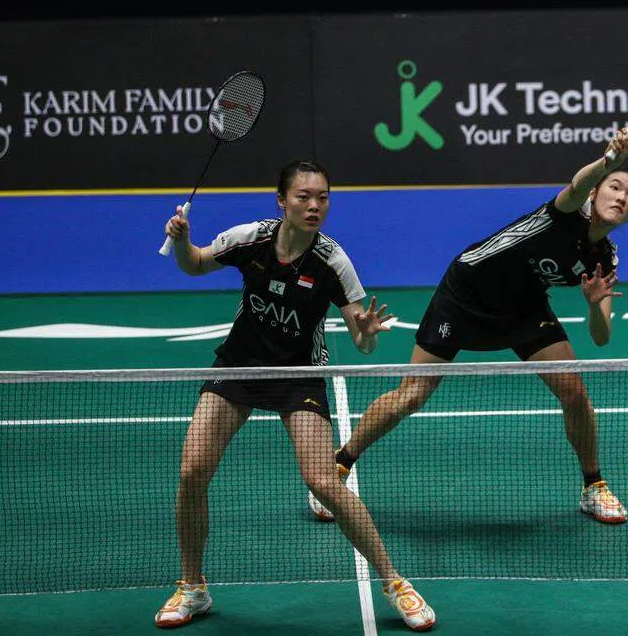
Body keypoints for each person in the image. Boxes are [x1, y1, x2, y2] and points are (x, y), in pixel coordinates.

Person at [155, 159, 436, 632]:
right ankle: (192, 587)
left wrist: (367, 333)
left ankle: (395, 582)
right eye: (303, 197)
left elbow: (362, 341)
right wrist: (182, 241)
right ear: (281, 201)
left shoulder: (333, 261)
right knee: (192, 470)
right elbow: (196, 264)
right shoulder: (250, 239)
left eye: (322, 197)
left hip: (299, 375)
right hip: (240, 366)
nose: (314, 206)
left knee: (324, 481)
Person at [310, 129, 628, 526]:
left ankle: (593, 485)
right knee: (411, 395)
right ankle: (340, 463)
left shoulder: (605, 259)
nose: (621, 197)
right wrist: (607, 162)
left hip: (522, 307)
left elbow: (601, 337)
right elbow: (576, 184)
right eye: (614, 187)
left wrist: (592, 305)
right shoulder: (567, 211)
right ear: (595, 193)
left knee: (575, 392)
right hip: (465, 294)